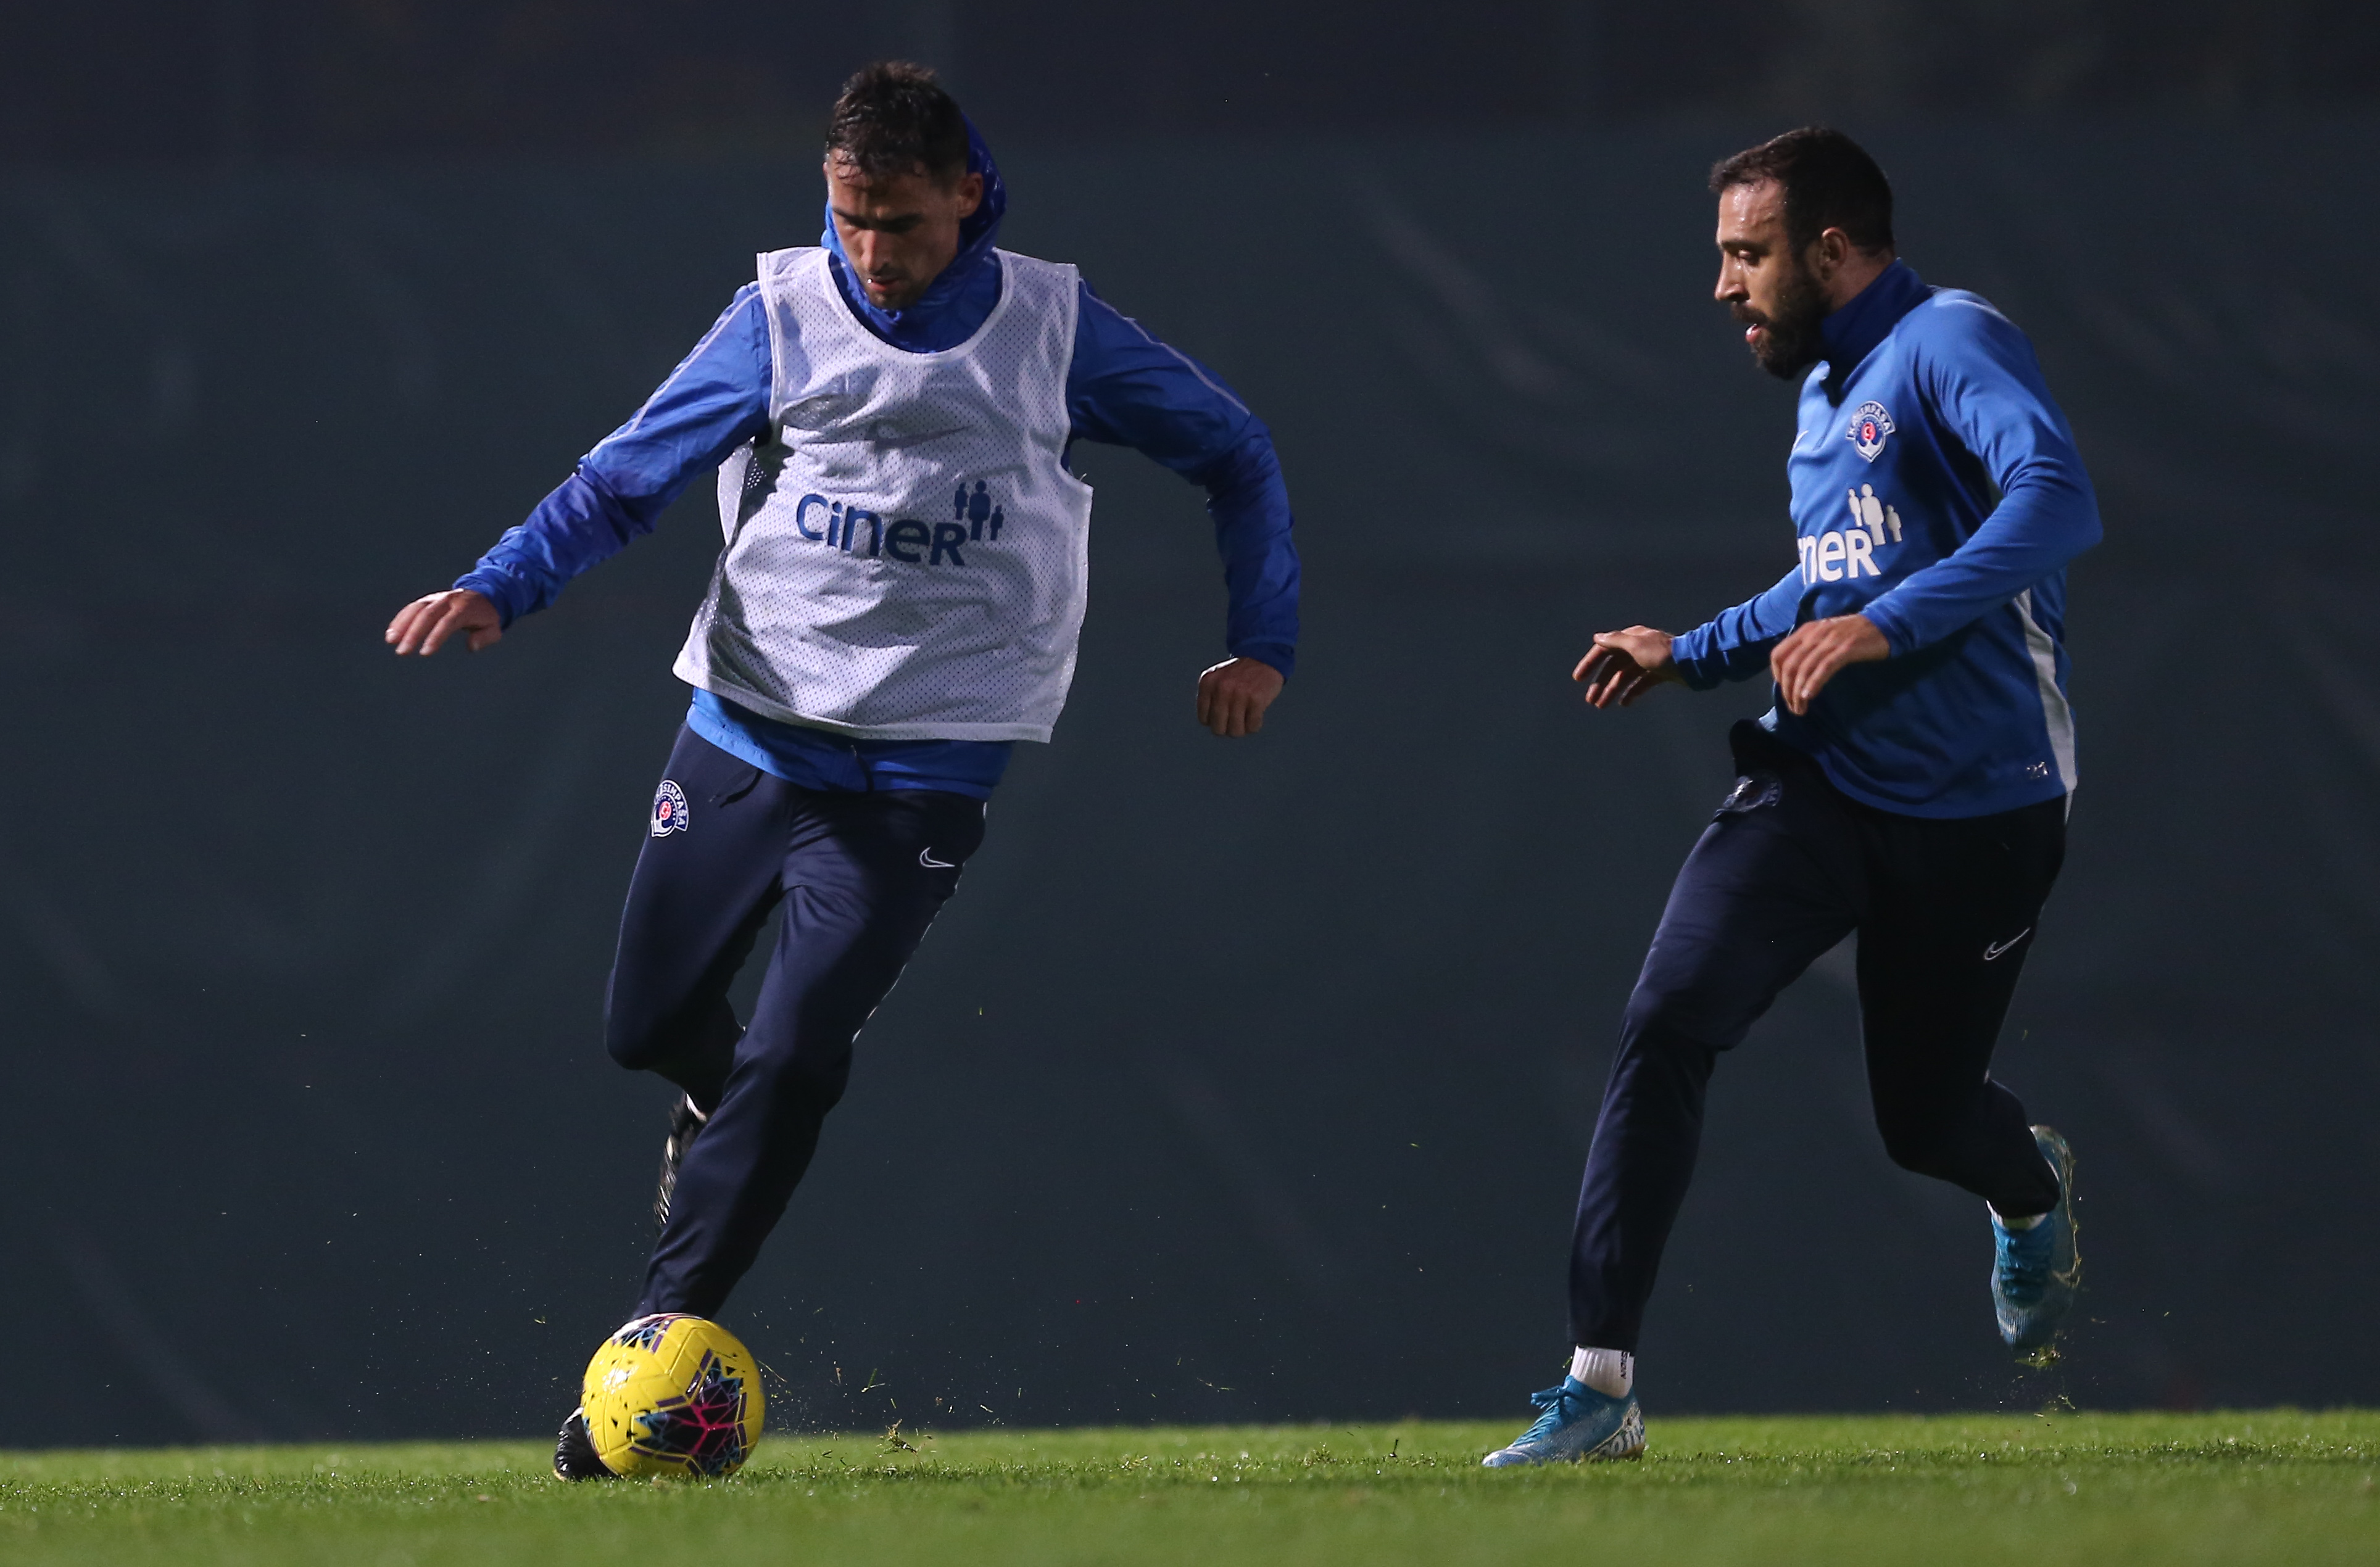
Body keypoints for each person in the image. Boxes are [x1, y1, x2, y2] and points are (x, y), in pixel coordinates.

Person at [382, 62, 1299, 1479]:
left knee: (799, 1055)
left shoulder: (1053, 333)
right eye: (849, 217)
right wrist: (503, 582)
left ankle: (646, 1358)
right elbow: (625, 478)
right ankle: (718, 1108)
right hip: (749, 727)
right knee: (647, 1025)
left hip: (923, 770)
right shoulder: (781, 314)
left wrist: (1260, 643)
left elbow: (1236, 452)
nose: (871, 252)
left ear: (968, 196)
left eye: (901, 223)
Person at [1483, 127, 2099, 1466]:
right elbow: (1830, 580)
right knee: (1668, 1019)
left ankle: (2026, 1187)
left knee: (1922, 1122)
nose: (1723, 285)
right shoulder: (1824, 391)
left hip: (1983, 811)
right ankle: (1600, 1382)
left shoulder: (1948, 341)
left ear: (1829, 249)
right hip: (1820, 781)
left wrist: (1888, 625)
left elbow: (2058, 501)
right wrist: (1692, 651)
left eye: (1745, 254)